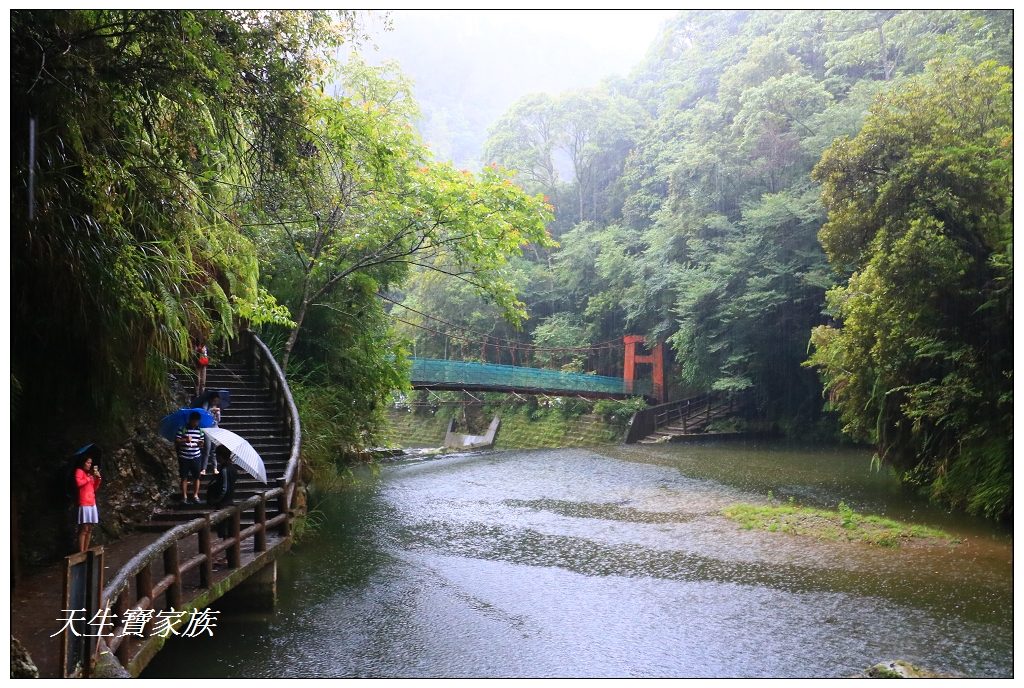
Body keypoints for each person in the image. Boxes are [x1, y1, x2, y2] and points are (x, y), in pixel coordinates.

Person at [206, 445, 238, 538]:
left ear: (220, 456)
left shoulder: (225, 469)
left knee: (224, 530)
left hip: (223, 503)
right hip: (230, 500)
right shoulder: (232, 469)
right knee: (227, 531)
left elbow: (224, 488)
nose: (216, 457)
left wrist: (217, 500)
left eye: (217, 455)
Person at [74, 452, 102, 552]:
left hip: (92, 502)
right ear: (83, 463)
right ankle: (81, 552)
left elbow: (94, 488)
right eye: (88, 462)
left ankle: (86, 550)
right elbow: (79, 483)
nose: (89, 465)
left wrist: (98, 478)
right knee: (84, 528)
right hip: (84, 502)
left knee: (90, 528)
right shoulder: (79, 471)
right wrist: (88, 478)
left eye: (90, 463)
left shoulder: (90, 473)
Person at [175, 411, 204, 505]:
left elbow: (202, 443)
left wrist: (200, 443)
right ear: (190, 420)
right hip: (184, 456)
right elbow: (177, 440)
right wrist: (185, 440)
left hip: (196, 456)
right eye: (194, 421)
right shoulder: (182, 429)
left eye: (197, 421)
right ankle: (184, 496)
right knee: (184, 477)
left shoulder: (200, 430)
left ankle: (195, 495)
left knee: (197, 477)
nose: (195, 423)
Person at [199, 392, 222, 477]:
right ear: (212, 399)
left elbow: (218, 421)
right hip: (207, 428)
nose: (216, 402)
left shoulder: (217, 407)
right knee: (207, 449)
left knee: (214, 449)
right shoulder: (206, 403)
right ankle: (203, 468)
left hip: (215, 429)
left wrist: (218, 414)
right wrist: (211, 410)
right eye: (215, 400)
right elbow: (203, 414)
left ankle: (215, 468)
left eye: (217, 401)